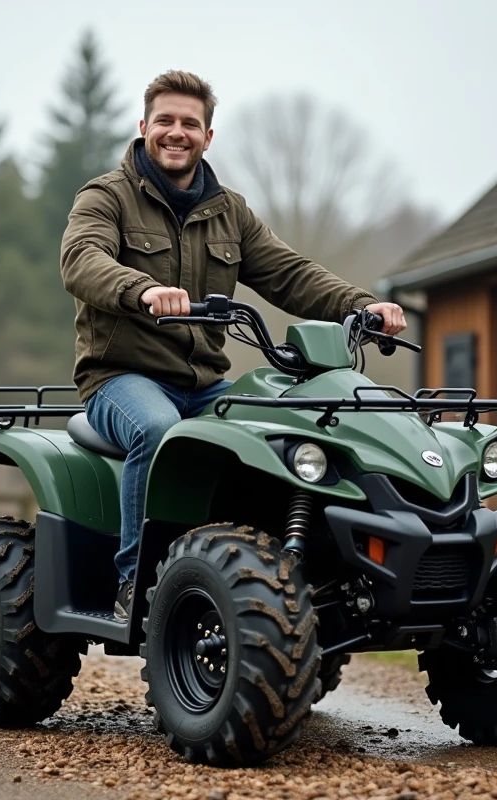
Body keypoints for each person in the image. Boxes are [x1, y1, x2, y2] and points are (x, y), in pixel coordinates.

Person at [60, 70, 406, 621]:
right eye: (166, 121)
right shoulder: (107, 197)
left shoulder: (229, 211)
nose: (177, 132)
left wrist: (359, 305)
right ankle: (136, 584)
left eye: (190, 124)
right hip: (121, 378)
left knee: (291, 434)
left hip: (204, 385)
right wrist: (143, 289)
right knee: (156, 431)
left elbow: (290, 273)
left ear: (208, 136)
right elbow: (82, 260)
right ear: (144, 126)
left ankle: (283, 581)